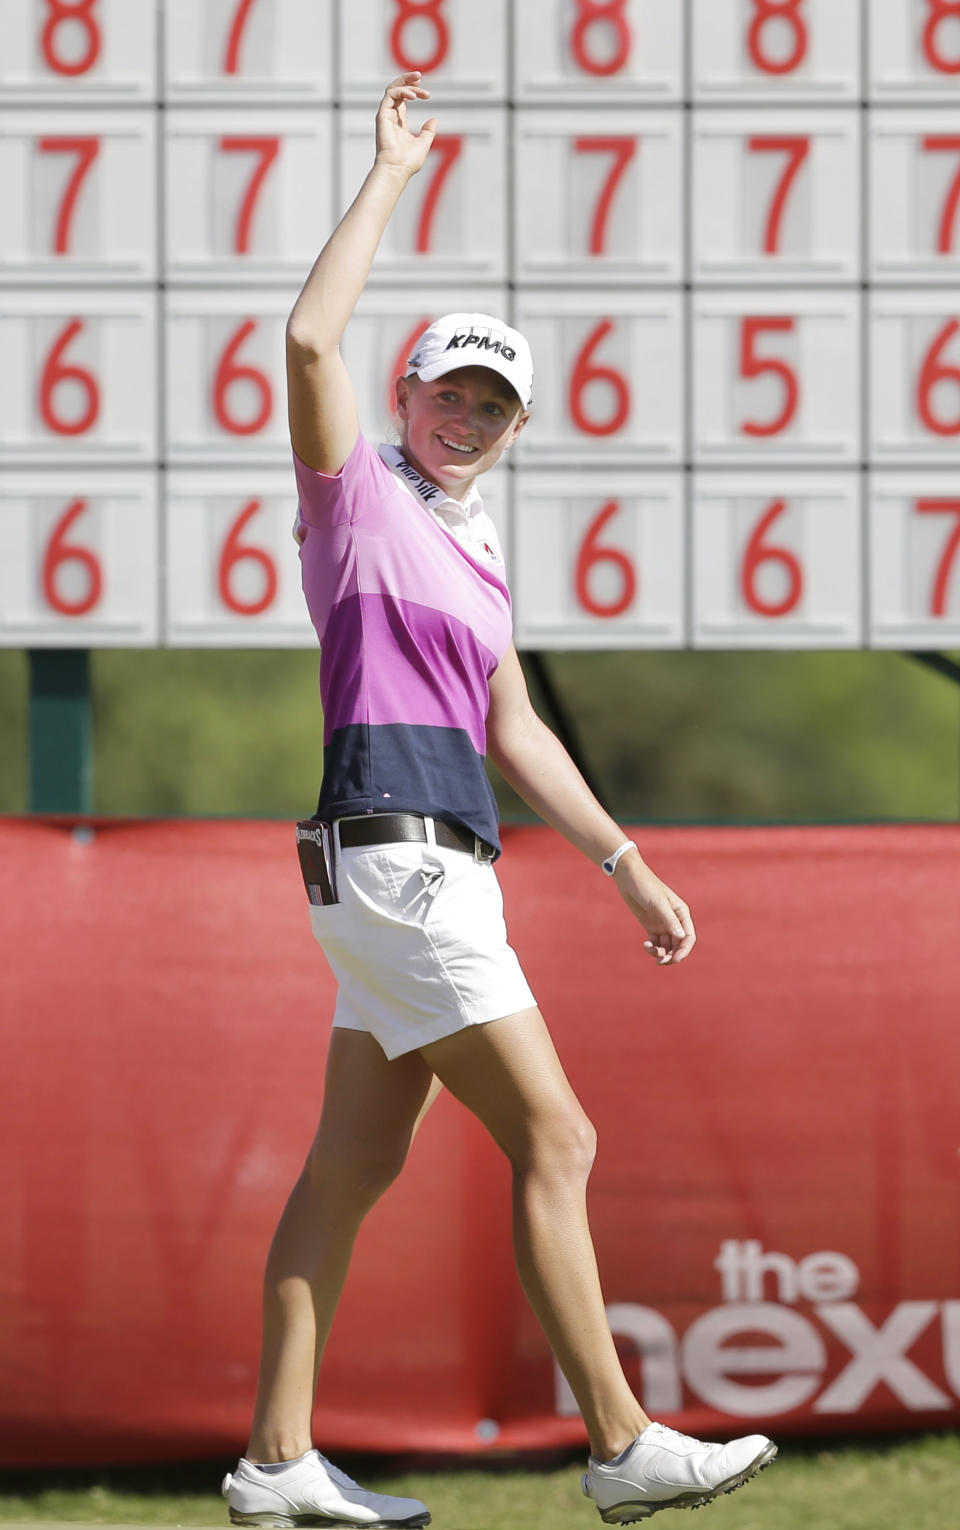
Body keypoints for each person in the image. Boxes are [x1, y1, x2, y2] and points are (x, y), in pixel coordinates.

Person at [221, 74, 777, 1529]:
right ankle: (618, 1439)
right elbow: (304, 336)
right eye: (449, 389)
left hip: (412, 865)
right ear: (403, 393)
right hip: (400, 858)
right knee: (563, 1137)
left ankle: (276, 1462)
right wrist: (393, 170)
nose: (467, 416)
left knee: (351, 1163)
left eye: (493, 403)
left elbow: (515, 725)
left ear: (515, 427)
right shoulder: (357, 495)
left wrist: (623, 860)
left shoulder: (474, 555)